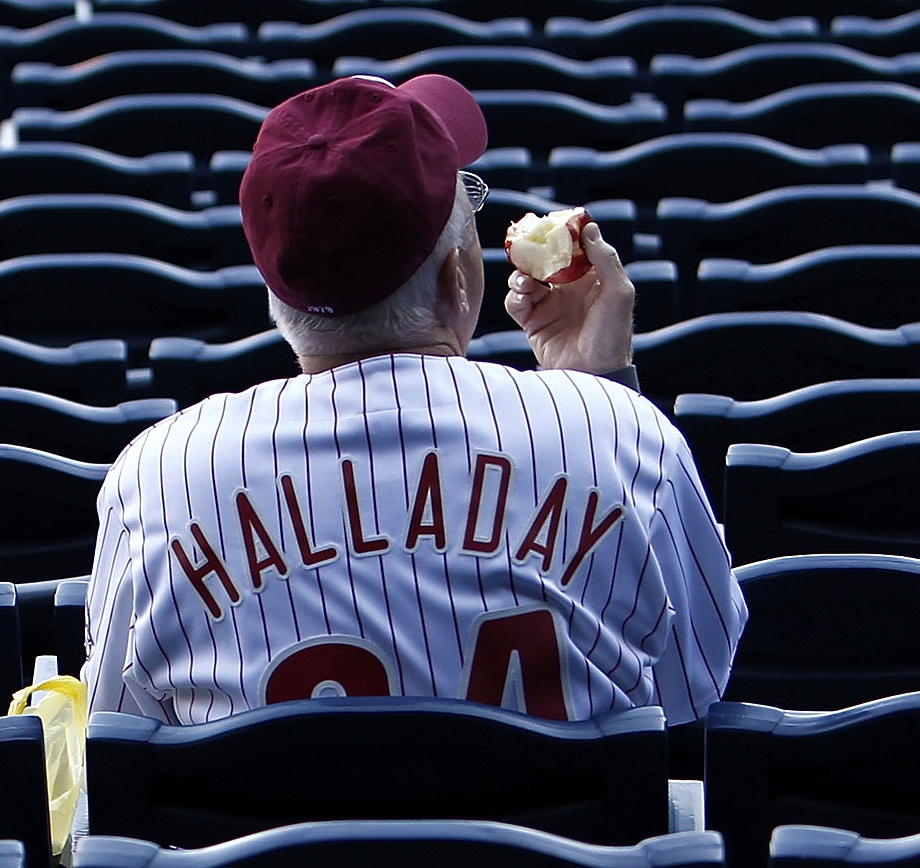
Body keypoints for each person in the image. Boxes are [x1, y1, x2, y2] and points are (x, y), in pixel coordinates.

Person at [82, 73, 745, 725]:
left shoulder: (158, 476)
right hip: (550, 838)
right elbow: (694, 695)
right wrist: (595, 400)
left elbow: (116, 737)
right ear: (458, 277)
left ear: (277, 294)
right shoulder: (623, 434)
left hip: (281, 836)